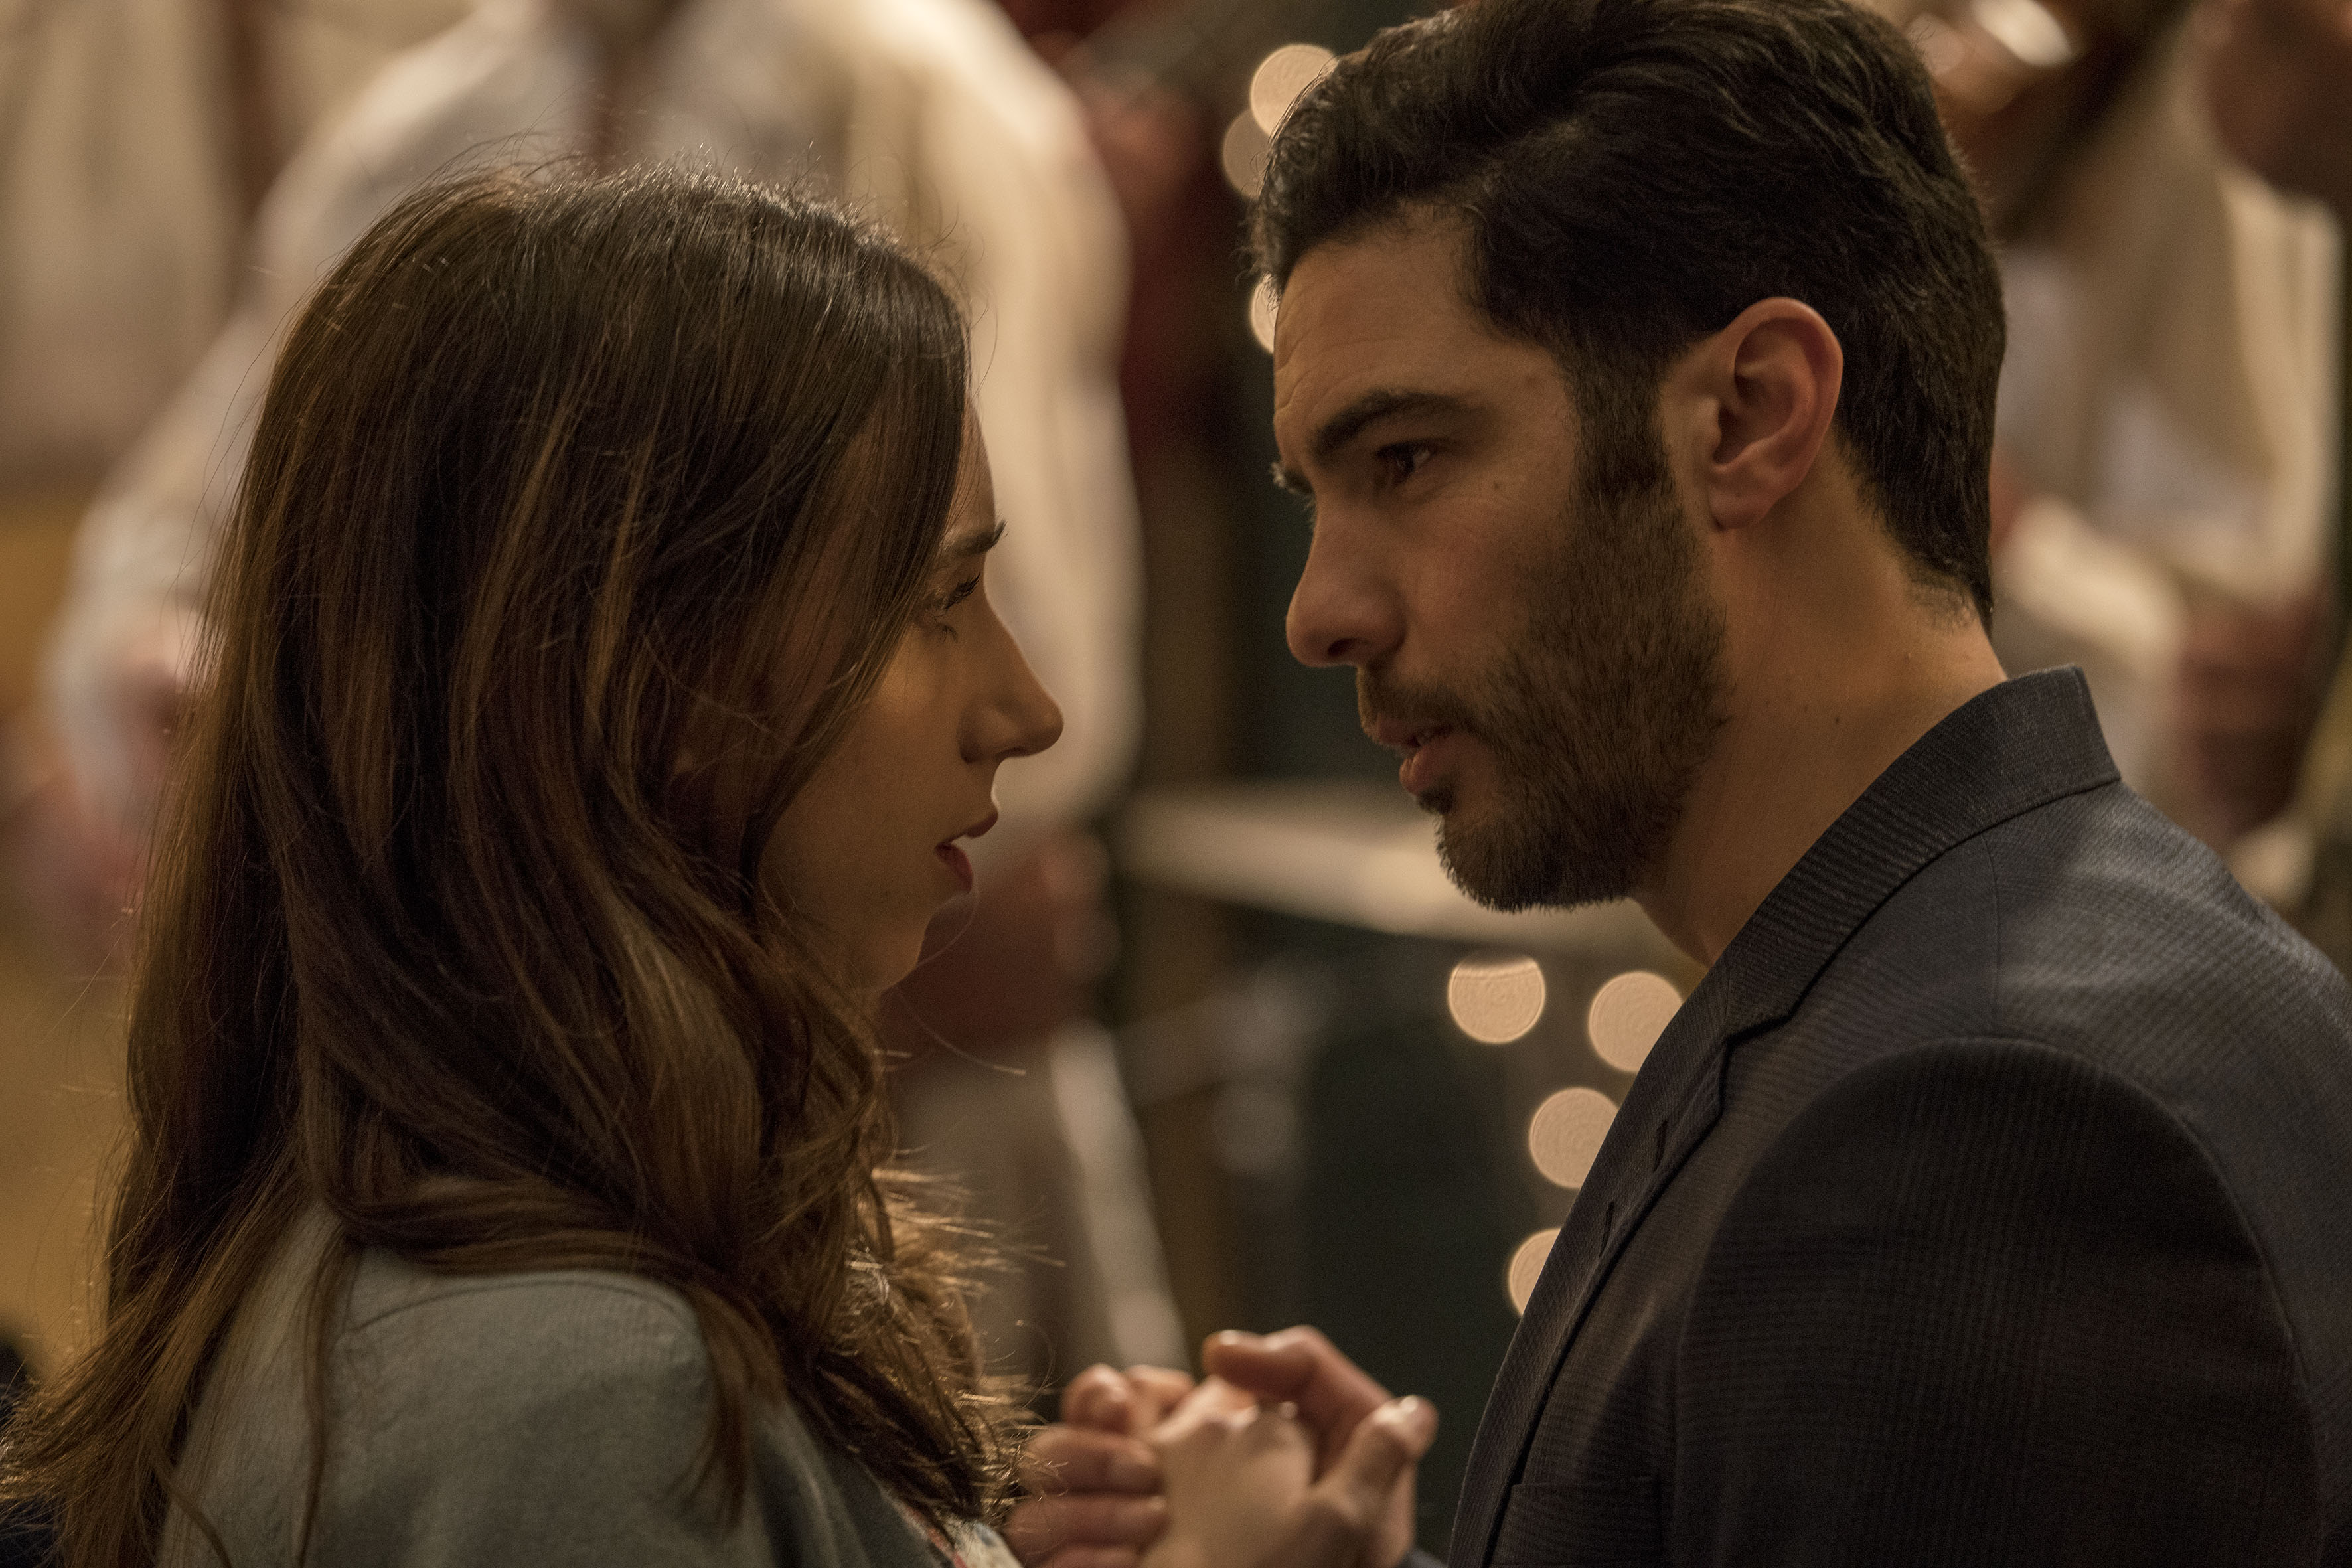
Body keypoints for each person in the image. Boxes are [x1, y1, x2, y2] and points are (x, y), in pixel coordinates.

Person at [1022, 0, 2352, 1562]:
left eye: (1406, 460)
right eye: (1316, 494)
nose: (1320, 611)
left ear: (1748, 415)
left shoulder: (1973, 1130)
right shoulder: (1937, 989)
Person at [0, 166, 1433, 1567]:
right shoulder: (570, 1403)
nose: (1026, 710)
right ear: (646, 674)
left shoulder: (553, 1310)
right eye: (938, 600)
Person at [42, 0, 1178, 1390]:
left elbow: (1012, 637)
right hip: (495, 1088)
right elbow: (212, 516)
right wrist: (174, 672)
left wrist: (741, 978)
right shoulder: (423, 123)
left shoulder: (914, 91)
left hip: (872, 1050)